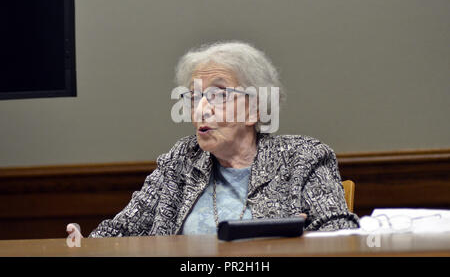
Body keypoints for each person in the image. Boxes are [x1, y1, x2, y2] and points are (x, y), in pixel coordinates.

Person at [87, 41, 359, 237]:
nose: (201, 108)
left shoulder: (302, 157)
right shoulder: (182, 159)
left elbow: (340, 234)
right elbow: (119, 231)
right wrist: (82, 244)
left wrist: (298, 240)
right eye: (194, 97)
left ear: (254, 108)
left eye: (218, 94)